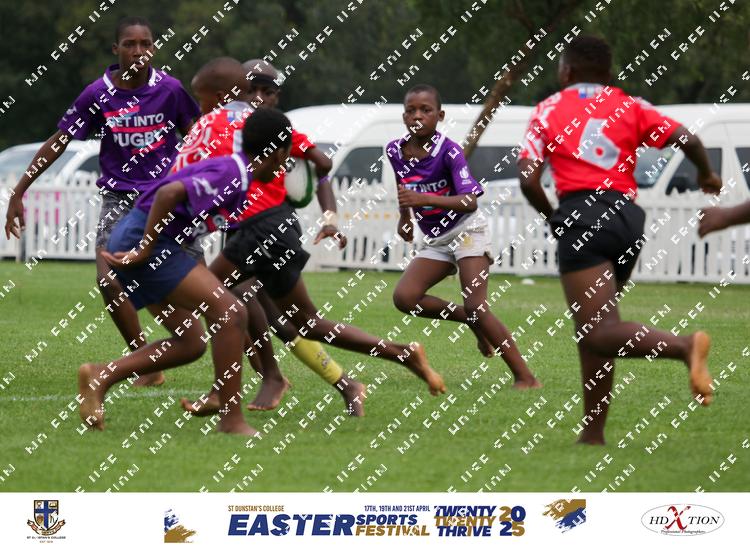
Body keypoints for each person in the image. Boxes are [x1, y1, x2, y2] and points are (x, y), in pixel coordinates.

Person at [517, 36, 721, 445]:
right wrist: (706, 174)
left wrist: (554, 218)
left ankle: (685, 346)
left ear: (566, 72)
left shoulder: (548, 109)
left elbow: (527, 179)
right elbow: (689, 139)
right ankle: (593, 433)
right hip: (626, 218)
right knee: (599, 327)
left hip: (583, 215)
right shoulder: (631, 104)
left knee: (596, 331)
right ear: (608, 73)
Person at [4, 16, 200, 388]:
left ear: (154, 47)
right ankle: (145, 363)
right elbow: (60, 140)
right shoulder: (98, 93)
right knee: (108, 280)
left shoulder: (171, 90)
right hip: (119, 198)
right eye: (130, 44)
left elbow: (197, 136)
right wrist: (19, 190)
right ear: (116, 49)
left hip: (168, 198)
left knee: (201, 289)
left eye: (145, 44)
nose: (138, 51)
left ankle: (255, 367)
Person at [78, 107, 294, 436]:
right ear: (279, 154)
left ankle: (101, 375)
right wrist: (146, 247)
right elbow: (169, 193)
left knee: (191, 343)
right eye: (287, 157)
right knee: (230, 312)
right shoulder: (234, 172)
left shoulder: (240, 175)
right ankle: (232, 421)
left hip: (153, 242)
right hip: (147, 243)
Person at [170, 58, 365, 416]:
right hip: (241, 232)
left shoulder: (276, 130)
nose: (259, 96)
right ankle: (341, 383)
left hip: (268, 232)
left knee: (244, 304)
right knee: (272, 316)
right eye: (253, 89)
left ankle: (263, 380)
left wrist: (330, 218)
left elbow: (321, 172)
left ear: (277, 97)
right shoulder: (237, 127)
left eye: (268, 91)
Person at [388, 84, 540, 390]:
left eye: (426, 110)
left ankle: (526, 378)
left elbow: (470, 201)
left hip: (467, 231)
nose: (418, 116)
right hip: (437, 239)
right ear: (404, 116)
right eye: (411, 110)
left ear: (440, 115)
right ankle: (470, 319)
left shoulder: (450, 151)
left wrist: (424, 200)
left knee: (477, 306)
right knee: (405, 298)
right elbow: (403, 185)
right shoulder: (395, 150)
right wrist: (405, 217)